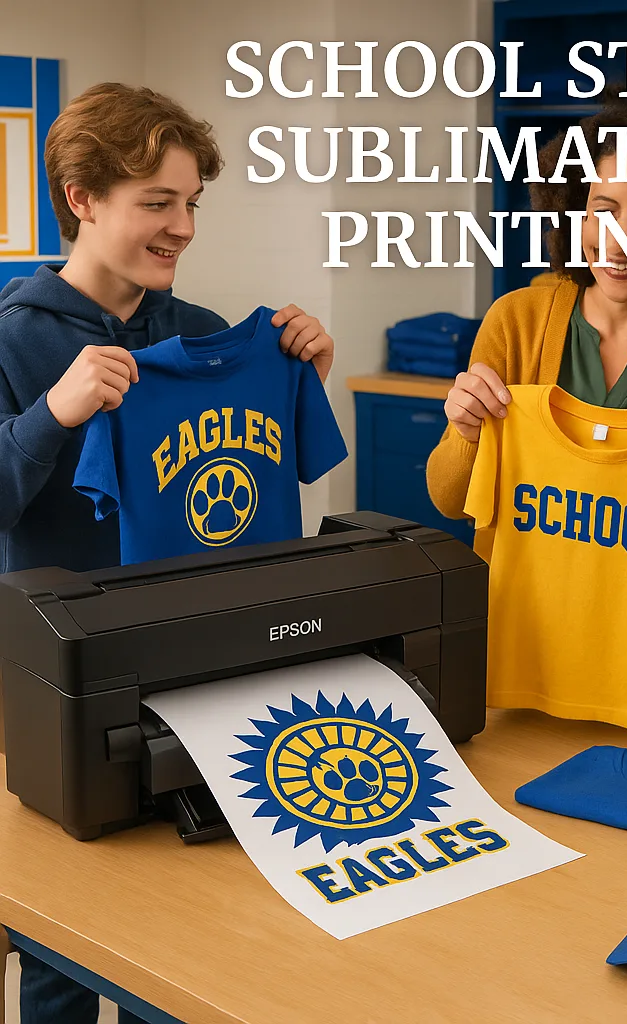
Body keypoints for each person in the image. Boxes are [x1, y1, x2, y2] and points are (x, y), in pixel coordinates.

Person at [0, 83, 336, 1023]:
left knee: (190, 913)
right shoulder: (11, 337)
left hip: (194, 667)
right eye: (158, 202)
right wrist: (53, 413)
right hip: (62, 680)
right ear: (82, 198)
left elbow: (254, 482)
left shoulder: (200, 335)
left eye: (192, 202)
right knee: (67, 936)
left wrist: (302, 376)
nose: (183, 227)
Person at [426, 96, 627, 720]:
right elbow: (449, 500)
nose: (622, 238)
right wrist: (465, 430)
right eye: (603, 209)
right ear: (574, 213)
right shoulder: (516, 323)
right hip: (517, 677)